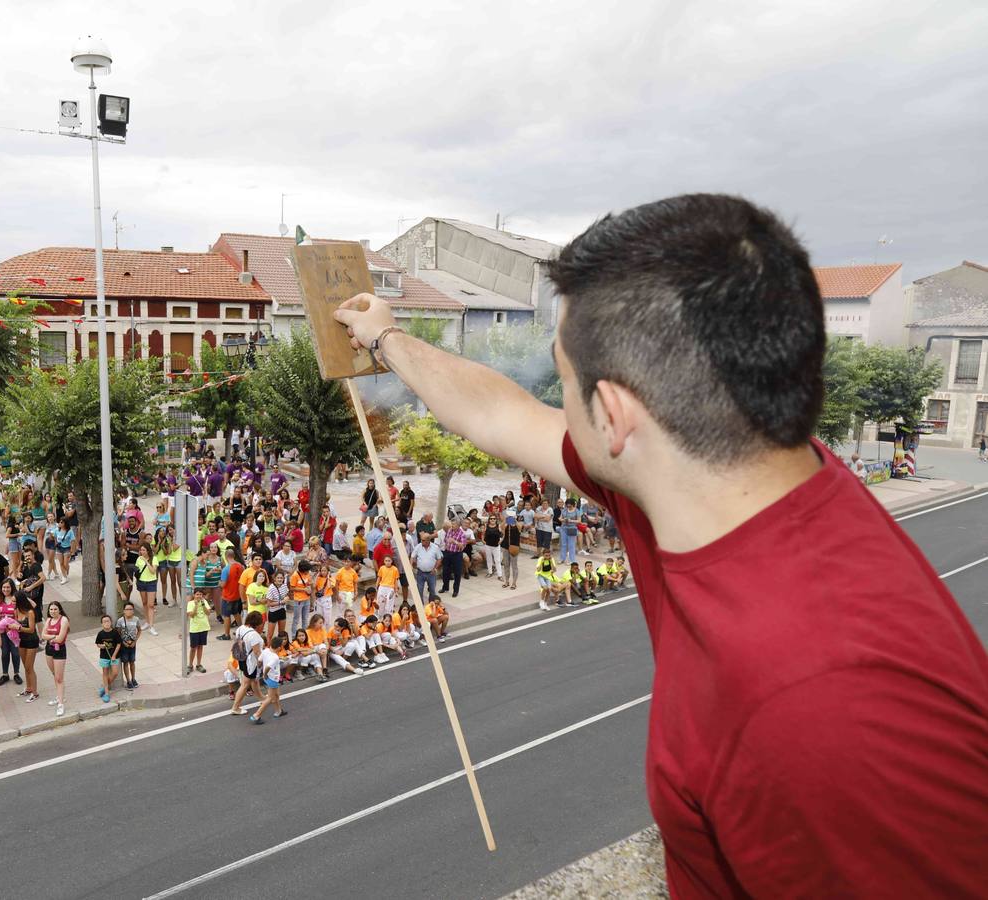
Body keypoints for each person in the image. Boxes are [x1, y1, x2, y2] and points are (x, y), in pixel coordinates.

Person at [334, 193, 988, 896]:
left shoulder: (823, 713)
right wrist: (385, 338)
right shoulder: (739, 464)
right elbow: (499, 412)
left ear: (614, 416)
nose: (558, 400)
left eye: (565, 377)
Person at [249, 633, 287, 724]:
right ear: (278, 648)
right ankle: (256, 715)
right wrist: (265, 674)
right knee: (269, 698)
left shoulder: (265, 651)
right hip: (272, 678)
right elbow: (267, 668)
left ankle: (278, 711)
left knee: (276, 695)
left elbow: (259, 661)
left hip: (268, 678)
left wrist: (260, 670)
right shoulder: (275, 657)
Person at [40, 601, 70, 717]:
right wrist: (53, 637)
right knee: (54, 674)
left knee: (59, 678)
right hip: (49, 649)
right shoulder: (48, 620)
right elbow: (42, 635)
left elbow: (61, 638)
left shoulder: (64, 620)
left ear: (60, 610)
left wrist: (51, 637)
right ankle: (59, 696)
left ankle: (61, 704)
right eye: (51, 609)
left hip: (60, 650)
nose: (53, 611)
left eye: (55, 609)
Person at [94, 615, 121, 703]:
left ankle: (104, 686)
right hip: (104, 656)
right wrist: (102, 646)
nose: (106, 623)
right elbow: (98, 644)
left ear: (111, 622)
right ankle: (106, 693)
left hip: (114, 656)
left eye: (108, 621)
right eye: (104, 621)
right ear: (102, 624)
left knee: (115, 673)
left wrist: (114, 655)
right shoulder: (100, 633)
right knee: (105, 673)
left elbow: (118, 644)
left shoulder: (115, 632)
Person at [185, 589, 211, 675]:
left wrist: (203, 605)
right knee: (193, 648)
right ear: (194, 595)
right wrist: (196, 606)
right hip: (194, 629)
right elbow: (191, 615)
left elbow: (208, 613)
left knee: (200, 646)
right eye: (197, 594)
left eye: (200, 594)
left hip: (204, 627)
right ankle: (190, 665)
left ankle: (199, 664)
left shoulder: (205, 602)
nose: (199, 596)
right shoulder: (190, 603)